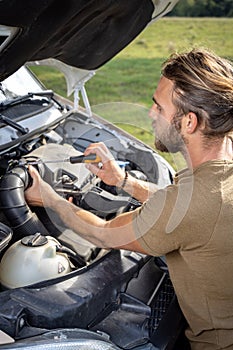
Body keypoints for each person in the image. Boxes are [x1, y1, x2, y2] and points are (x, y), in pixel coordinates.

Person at [25, 48, 233, 350]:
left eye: (159, 108)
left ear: (190, 122)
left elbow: (103, 233)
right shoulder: (219, 173)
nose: (150, 115)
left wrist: (50, 199)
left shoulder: (198, 202)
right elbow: (184, 205)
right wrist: (122, 181)